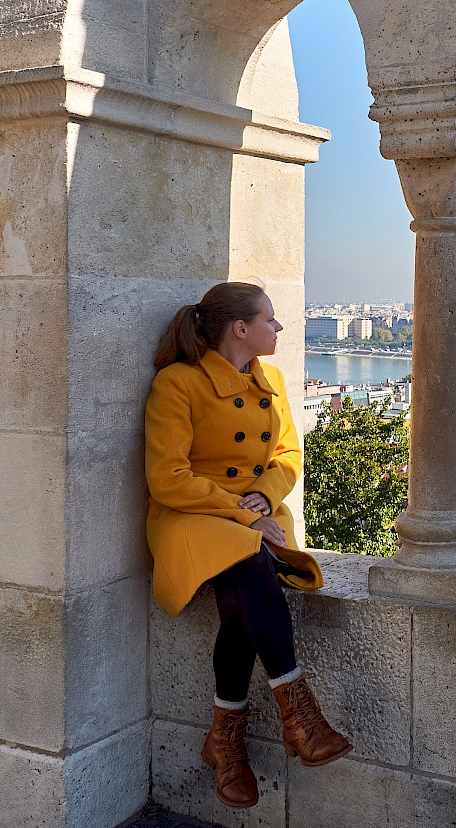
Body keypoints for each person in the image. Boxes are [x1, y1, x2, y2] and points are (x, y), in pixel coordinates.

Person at [145, 282, 351, 809]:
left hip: (255, 513)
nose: (278, 328)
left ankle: (226, 740)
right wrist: (243, 514)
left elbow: (288, 454)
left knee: (243, 589)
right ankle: (299, 713)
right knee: (249, 559)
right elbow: (167, 477)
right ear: (241, 329)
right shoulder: (178, 384)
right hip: (192, 516)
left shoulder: (274, 380)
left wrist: (261, 498)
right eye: (271, 319)